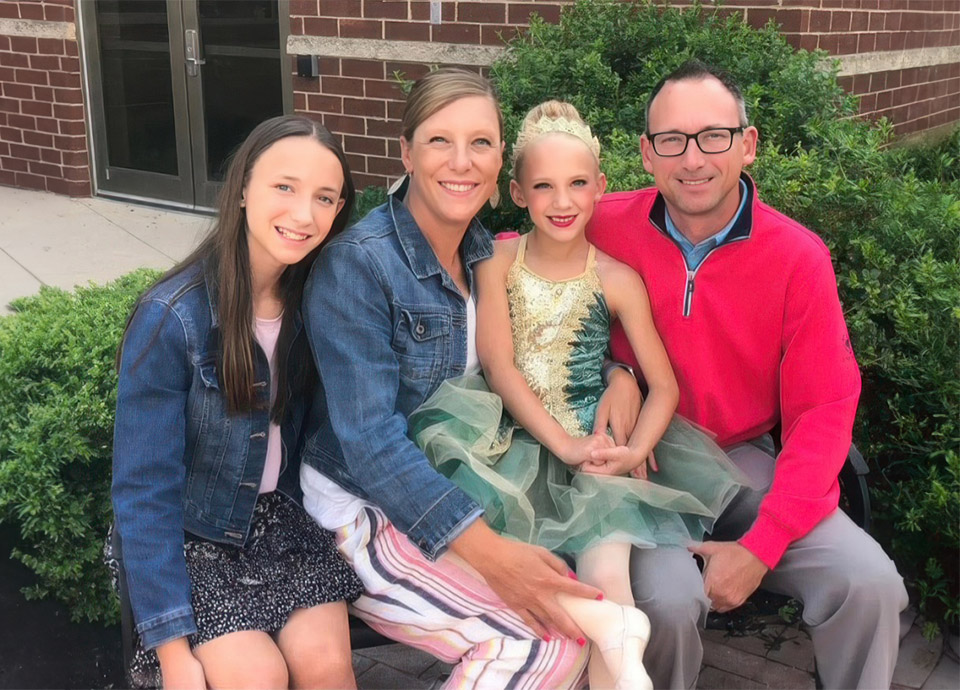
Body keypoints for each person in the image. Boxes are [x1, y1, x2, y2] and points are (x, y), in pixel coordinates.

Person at [587, 60, 908, 689]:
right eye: (672, 140)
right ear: (647, 155)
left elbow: (823, 410)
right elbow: (520, 274)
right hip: (640, 466)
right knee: (666, 607)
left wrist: (762, 546)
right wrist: (616, 367)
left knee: (868, 583)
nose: (693, 158)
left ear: (747, 143)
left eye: (714, 136)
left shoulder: (798, 258)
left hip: (743, 463)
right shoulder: (602, 223)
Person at [407, 100, 747, 690]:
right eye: (543, 186)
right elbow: (498, 363)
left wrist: (631, 449)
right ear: (517, 191)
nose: (562, 202)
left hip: (596, 449)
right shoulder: (497, 260)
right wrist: (561, 444)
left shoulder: (616, 279)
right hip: (506, 445)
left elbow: (663, 384)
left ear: (601, 188)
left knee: (609, 586)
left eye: (577, 184)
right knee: (523, 593)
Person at [299, 70, 619, 689]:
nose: (462, 162)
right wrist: (495, 559)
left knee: (574, 628)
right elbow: (369, 443)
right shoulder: (360, 265)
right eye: (440, 140)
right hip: (359, 512)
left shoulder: (486, 253)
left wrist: (619, 372)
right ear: (406, 152)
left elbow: (546, 342)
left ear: (502, 159)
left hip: (458, 491)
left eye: (481, 142)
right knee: (540, 650)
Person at [110, 115, 363, 690]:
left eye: (324, 198)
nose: (304, 215)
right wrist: (174, 656)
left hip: (282, 526)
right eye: (284, 187)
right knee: (258, 678)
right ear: (243, 188)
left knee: (327, 669)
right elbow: (143, 492)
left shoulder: (316, 301)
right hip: (191, 539)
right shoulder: (172, 317)